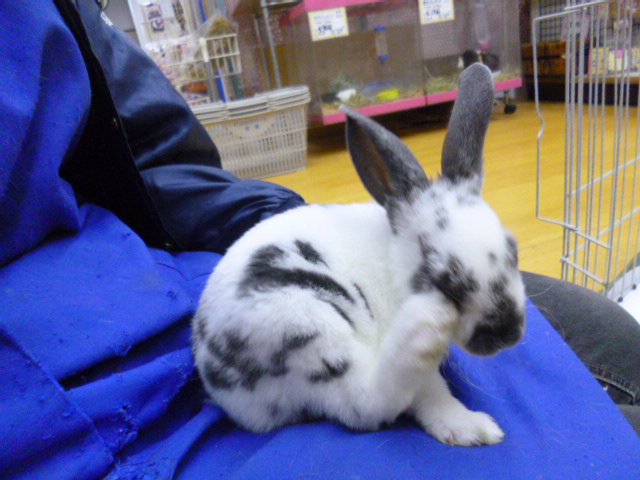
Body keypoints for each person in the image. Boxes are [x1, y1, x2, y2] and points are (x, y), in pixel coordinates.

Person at [1, 2, 638, 479]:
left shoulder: (413, 238)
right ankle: (370, 399)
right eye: (450, 288)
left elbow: (158, 157)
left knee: (612, 337)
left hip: (192, 296)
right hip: (256, 374)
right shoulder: (398, 250)